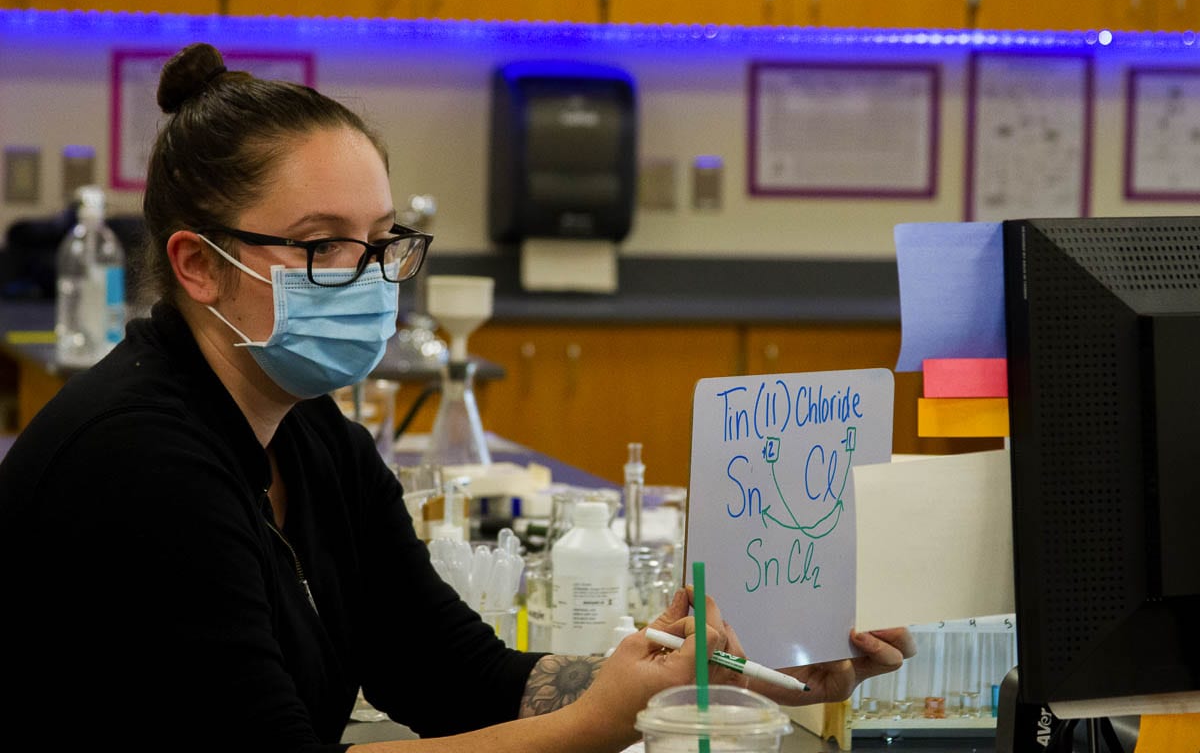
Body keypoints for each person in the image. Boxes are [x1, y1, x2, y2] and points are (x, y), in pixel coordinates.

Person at [0, 42, 914, 752]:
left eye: (380, 241)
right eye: (322, 245)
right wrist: (600, 725)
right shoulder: (137, 463)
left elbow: (455, 674)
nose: (369, 280)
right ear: (199, 264)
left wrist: (714, 683)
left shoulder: (312, 438)